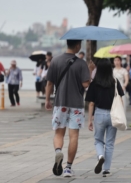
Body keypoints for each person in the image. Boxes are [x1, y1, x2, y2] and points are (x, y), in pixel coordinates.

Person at [45, 40, 91, 178]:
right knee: (74, 136)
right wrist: (91, 70)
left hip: (60, 103)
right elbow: (85, 84)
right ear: (77, 46)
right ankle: (68, 168)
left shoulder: (56, 60)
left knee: (59, 133)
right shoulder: (82, 63)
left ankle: (58, 151)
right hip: (76, 104)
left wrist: (48, 100)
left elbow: (49, 83)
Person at [85, 58, 124, 177]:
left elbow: (91, 103)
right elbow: (120, 101)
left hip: (99, 114)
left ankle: (100, 155)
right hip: (113, 115)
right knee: (110, 142)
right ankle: (106, 169)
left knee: (98, 140)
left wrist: (90, 120)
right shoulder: (115, 82)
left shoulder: (94, 83)